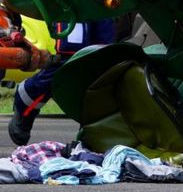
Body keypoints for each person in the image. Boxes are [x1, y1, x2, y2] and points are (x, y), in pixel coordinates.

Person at [9, 18, 119, 146]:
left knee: (104, 59)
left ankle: (89, 133)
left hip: (106, 7)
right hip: (72, 4)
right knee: (73, 55)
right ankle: (26, 100)